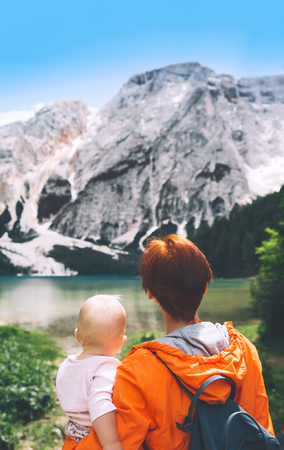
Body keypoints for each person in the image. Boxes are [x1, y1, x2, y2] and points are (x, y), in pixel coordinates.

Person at [62, 235, 275, 450]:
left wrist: (73, 438)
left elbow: (116, 443)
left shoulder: (139, 370)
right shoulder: (244, 349)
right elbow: (260, 425)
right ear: (205, 288)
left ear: (151, 293)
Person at [56, 295, 127, 450]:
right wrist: (111, 444)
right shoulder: (105, 366)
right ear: (121, 342)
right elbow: (99, 404)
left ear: (77, 336)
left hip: (72, 438)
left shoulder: (65, 365)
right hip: (96, 438)